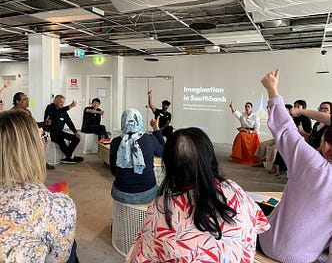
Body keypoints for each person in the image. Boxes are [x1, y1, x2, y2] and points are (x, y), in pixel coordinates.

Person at [124, 127, 270, 262]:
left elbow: (139, 257)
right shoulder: (235, 189)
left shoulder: (161, 209)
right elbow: (261, 225)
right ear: (210, 158)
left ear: (169, 166)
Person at [258, 69, 332, 262]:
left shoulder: (314, 164)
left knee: (251, 208)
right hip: (307, 256)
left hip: (274, 246)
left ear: (326, 144)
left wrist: (272, 90)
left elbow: (285, 131)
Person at [0, 110, 77, 262]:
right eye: (42, 137)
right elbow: (58, 259)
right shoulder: (58, 207)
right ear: (33, 148)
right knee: (71, 245)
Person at [110, 109, 164, 204]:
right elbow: (162, 152)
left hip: (120, 194)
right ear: (140, 121)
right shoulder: (150, 139)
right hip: (147, 194)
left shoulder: (115, 142)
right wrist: (156, 128)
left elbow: (114, 171)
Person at [44, 95, 83, 164]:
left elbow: (69, 121)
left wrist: (75, 132)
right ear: (55, 101)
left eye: (63, 102)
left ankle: (68, 156)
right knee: (61, 141)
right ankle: (70, 157)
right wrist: (69, 106)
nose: (62, 104)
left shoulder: (63, 111)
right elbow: (56, 113)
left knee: (76, 138)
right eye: (60, 102)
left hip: (59, 132)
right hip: (50, 132)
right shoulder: (50, 107)